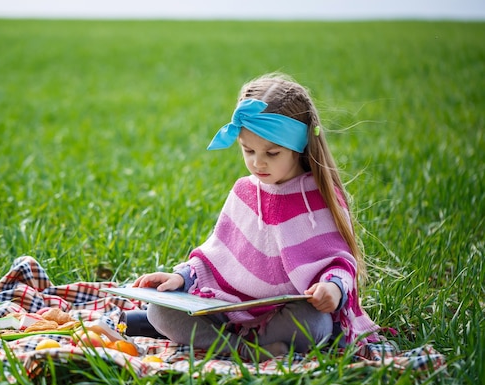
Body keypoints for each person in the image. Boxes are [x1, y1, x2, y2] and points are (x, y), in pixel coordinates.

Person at [134, 72, 381, 360]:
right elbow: (215, 257)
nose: (257, 162)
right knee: (160, 309)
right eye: (247, 150)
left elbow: (339, 262)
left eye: (272, 153)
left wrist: (332, 288)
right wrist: (182, 278)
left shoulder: (318, 198)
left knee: (314, 323)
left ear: (299, 147)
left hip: (284, 315)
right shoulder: (244, 191)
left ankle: (234, 345)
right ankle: (245, 350)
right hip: (228, 309)